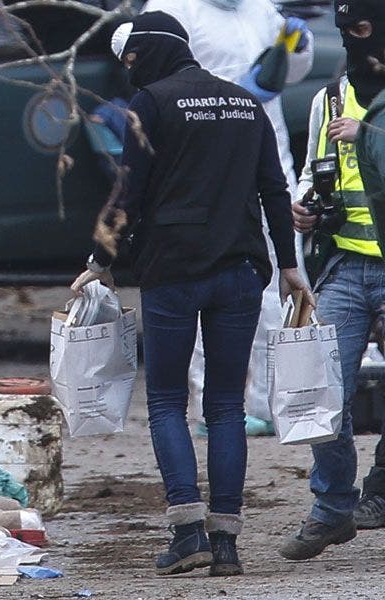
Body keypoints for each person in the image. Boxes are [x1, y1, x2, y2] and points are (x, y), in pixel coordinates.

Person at [71, 12, 311, 577]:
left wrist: (100, 261)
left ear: (151, 53)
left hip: (173, 271)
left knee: (166, 402)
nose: (130, 71)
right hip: (240, 268)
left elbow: (127, 192)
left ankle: (187, 533)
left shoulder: (151, 104)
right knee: (226, 407)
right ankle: (226, 543)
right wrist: (289, 265)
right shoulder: (244, 103)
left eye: (132, 60)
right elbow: (273, 190)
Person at [142, 0, 314, 435]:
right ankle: (209, 404)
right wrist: (233, 94)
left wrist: (297, 49)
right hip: (204, 169)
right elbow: (154, 73)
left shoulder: (260, 8)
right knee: (206, 283)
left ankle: (272, 402)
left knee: (281, 281)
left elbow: (289, 73)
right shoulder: (174, 8)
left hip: (267, 153)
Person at [281, 0, 385, 560]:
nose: (351, 41)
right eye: (343, 30)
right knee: (322, 395)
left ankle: (380, 490)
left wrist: (368, 132)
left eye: (362, 29)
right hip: (343, 265)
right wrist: (304, 205)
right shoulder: (329, 98)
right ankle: (333, 506)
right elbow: (312, 169)